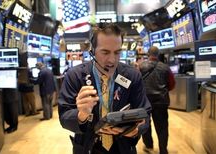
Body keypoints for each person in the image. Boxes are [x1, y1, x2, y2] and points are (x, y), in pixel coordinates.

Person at [58, 23, 151, 154]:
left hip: (123, 146)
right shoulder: (75, 76)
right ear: (92, 51)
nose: (112, 60)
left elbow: (145, 112)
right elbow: (64, 116)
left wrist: (135, 130)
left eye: (117, 52)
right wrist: (81, 115)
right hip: (87, 146)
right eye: (105, 52)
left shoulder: (132, 76)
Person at [139, 46, 175, 154]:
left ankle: (149, 146)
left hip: (145, 100)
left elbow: (137, 83)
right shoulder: (165, 67)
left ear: (148, 54)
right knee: (162, 126)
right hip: (161, 101)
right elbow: (172, 84)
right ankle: (163, 150)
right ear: (158, 54)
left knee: (145, 124)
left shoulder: (141, 66)